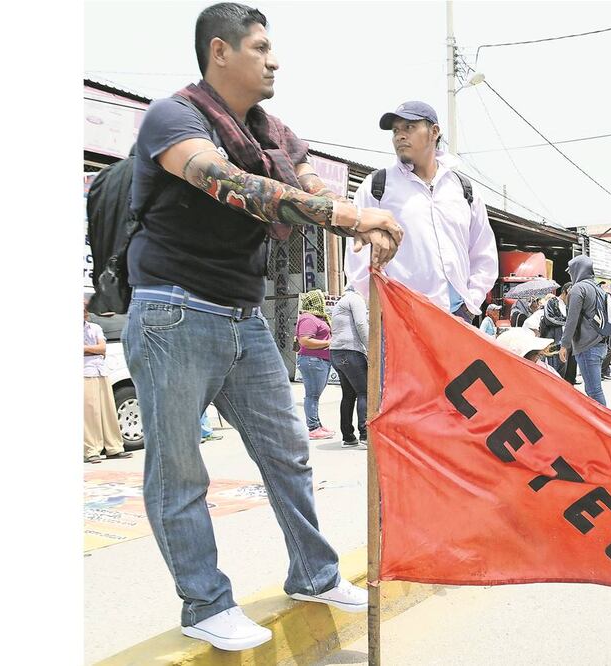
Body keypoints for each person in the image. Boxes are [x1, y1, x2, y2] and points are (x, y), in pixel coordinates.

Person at [122, 3, 395, 650]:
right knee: (179, 470)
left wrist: (365, 222)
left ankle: (313, 572)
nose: (274, 60)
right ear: (220, 51)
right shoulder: (174, 118)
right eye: (261, 47)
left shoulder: (274, 134)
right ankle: (205, 604)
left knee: (288, 451)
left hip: (243, 317)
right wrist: (350, 217)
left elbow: (301, 188)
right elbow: (229, 184)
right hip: (174, 309)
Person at [345, 100, 498, 320]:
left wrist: (470, 303)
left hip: (459, 319)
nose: (400, 136)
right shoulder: (377, 186)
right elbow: (356, 256)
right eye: (396, 130)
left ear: (434, 131)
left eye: (409, 127)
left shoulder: (463, 189)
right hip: (402, 321)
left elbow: (484, 254)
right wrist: (385, 309)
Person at [85, 299, 134, 464]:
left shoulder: (95, 327)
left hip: (101, 371)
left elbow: (102, 349)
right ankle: (91, 450)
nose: (86, 312)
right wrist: (94, 350)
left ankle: (114, 447)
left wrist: (86, 349)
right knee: (90, 414)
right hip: (85, 373)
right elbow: (98, 349)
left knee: (108, 411)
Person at [559, 256, 608, 406]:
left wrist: (564, 344)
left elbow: (571, 320)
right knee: (595, 390)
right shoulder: (597, 287)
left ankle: (605, 425)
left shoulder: (578, 289)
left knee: (594, 392)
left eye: (571, 271)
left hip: (587, 346)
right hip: (601, 344)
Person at [328, 285, 369, 449]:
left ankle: (348, 436)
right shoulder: (355, 299)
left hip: (336, 353)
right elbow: (361, 324)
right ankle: (365, 434)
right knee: (365, 392)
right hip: (350, 351)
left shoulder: (342, 301)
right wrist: (371, 347)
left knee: (348, 394)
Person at [296, 290, 334, 440]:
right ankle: (313, 428)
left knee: (314, 395)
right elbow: (304, 340)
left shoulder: (315, 317)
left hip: (318, 361)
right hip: (313, 361)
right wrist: (329, 342)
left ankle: (316, 424)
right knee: (312, 395)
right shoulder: (308, 318)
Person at [539, 287, 567, 373]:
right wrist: (566, 322)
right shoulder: (552, 302)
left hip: (565, 342)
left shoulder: (570, 305)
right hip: (554, 341)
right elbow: (549, 319)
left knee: (564, 368)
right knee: (554, 368)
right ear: (564, 292)